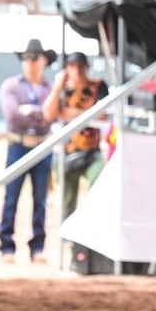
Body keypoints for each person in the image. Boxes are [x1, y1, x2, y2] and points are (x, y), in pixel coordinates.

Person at [0, 39, 56, 264]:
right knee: (11, 197)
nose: (30, 62)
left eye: (34, 58)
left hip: (42, 145)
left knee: (40, 199)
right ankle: (6, 246)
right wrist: (40, 113)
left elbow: (51, 116)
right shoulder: (11, 86)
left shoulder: (51, 88)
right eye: (26, 58)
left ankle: (38, 246)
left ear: (44, 61)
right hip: (17, 144)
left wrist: (29, 112)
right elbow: (12, 115)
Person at [43, 51, 109, 220]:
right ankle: (68, 241)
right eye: (72, 66)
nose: (77, 71)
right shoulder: (62, 90)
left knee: (99, 186)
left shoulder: (98, 86)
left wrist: (67, 113)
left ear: (87, 67)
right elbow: (50, 114)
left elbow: (102, 114)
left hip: (91, 153)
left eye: (80, 66)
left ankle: (89, 233)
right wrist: (58, 86)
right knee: (67, 202)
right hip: (67, 153)